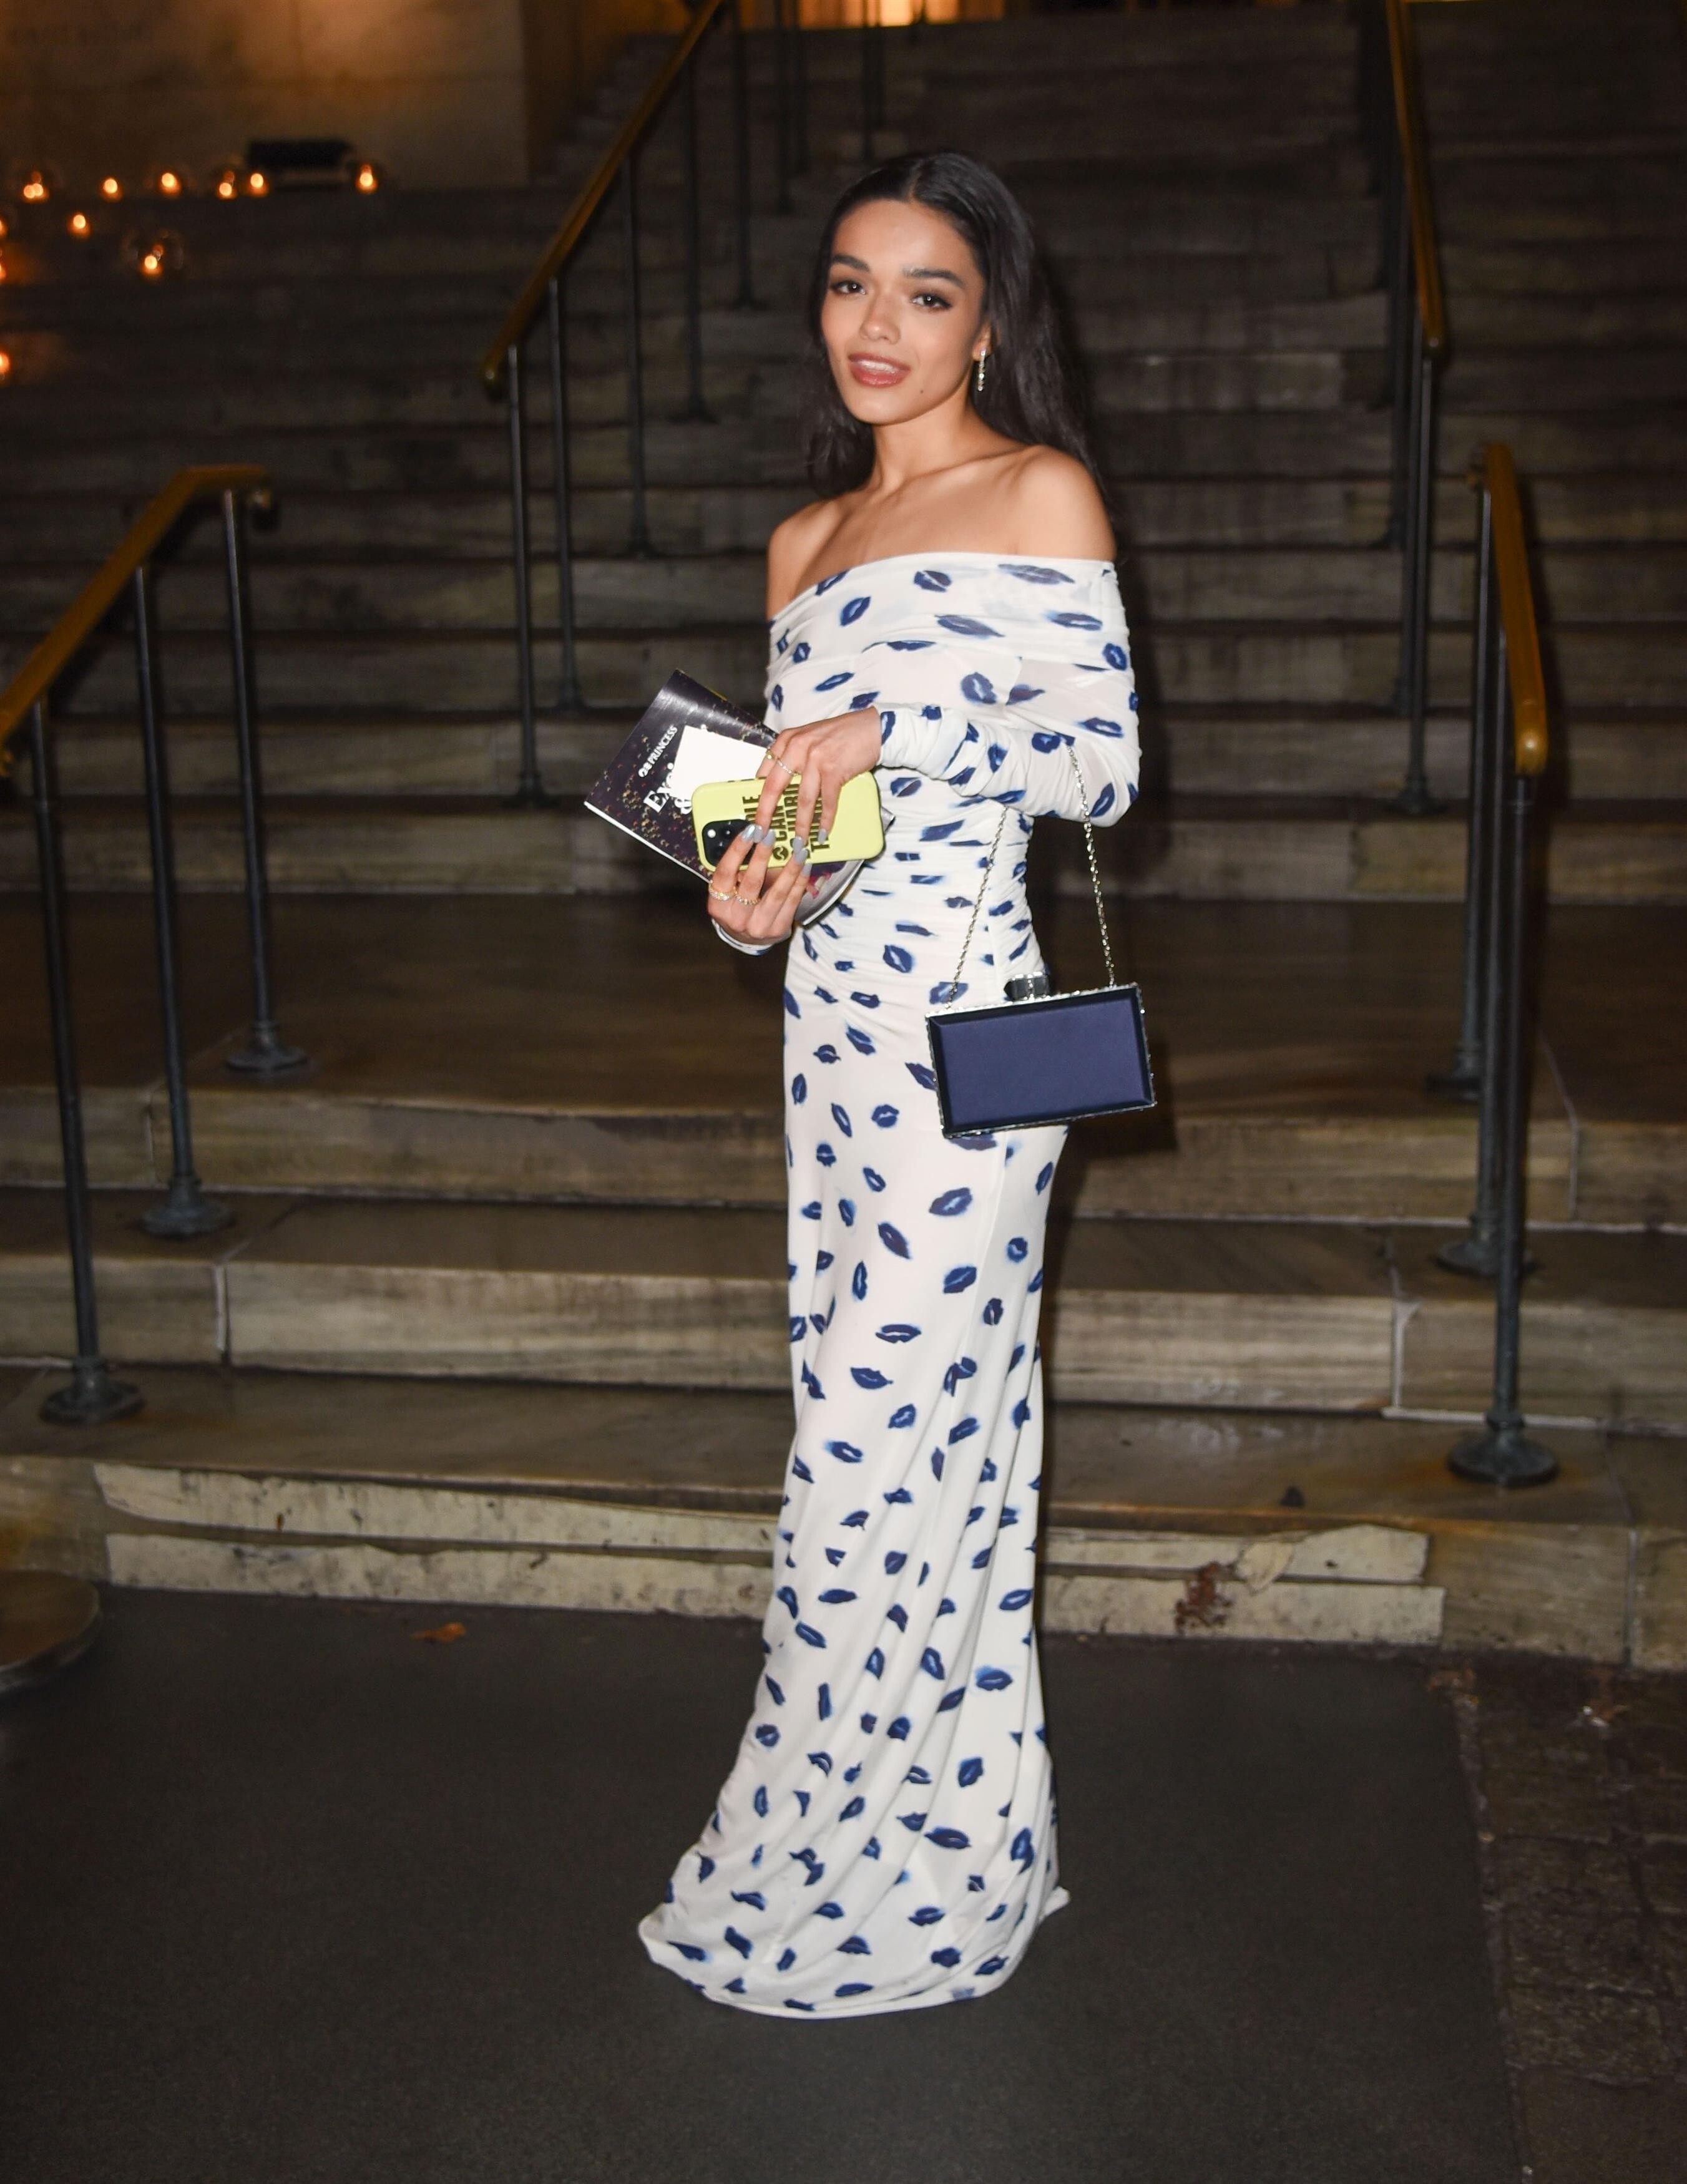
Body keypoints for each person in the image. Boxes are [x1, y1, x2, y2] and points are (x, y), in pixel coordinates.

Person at [638, 150, 1140, 2017]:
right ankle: (946, 1840)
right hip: (828, 1039)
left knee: (867, 1444)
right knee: (893, 1440)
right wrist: (753, 894)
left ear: (987, 321)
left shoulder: (1039, 491)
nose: (878, 322)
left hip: (969, 1043)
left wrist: (899, 720)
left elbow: (1101, 769)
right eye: (852, 282)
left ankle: (832, 1867)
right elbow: (808, 829)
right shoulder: (803, 545)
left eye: (927, 292)